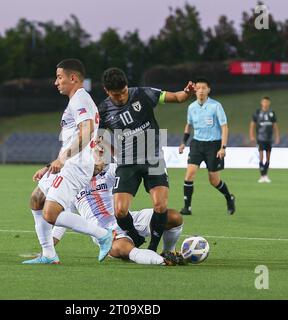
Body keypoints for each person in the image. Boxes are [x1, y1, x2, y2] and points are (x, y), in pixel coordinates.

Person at [25, 58, 114, 264]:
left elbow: (87, 130)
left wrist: (62, 159)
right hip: (68, 162)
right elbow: (74, 137)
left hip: (75, 166)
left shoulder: (80, 99)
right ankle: (48, 254)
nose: (56, 82)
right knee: (37, 199)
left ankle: (102, 234)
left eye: (59, 77)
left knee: (50, 213)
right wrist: (50, 166)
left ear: (73, 78)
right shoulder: (75, 101)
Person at [97, 67, 195, 252]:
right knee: (120, 211)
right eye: (116, 95)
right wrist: (109, 153)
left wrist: (187, 93)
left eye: (124, 92)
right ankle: (135, 237)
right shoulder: (102, 110)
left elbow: (177, 97)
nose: (121, 97)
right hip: (126, 163)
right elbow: (100, 136)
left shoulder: (142, 93)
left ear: (127, 86)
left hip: (153, 157)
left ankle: (152, 248)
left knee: (160, 205)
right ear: (106, 91)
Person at [25, 156, 185, 266]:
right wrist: (48, 247)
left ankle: (169, 252)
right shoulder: (70, 186)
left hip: (128, 219)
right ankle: (161, 261)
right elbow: (62, 221)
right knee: (120, 249)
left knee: (173, 217)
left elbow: (124, 166)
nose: (95, 164)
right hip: (105, 231)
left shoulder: (108, 173)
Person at [179, 78, 235, 216]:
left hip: (214, 146)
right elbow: (189, 125)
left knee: (214, 180)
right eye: (198, 88)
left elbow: (224, 127)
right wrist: (183, 142)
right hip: (197, 144)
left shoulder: (216, 106)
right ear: (195, 90)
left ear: (208, 90)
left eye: (204, 88)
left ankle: (229, 197)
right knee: (189, 174)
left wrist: (223, 147)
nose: (201, 90)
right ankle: (187, 207)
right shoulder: (191, 107)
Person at [249, 96, 280, 183]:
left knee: (268, 158)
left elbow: (275, 126)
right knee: (261, 156)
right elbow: (252, 125)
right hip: (260, 138)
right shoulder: (258, 113)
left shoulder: (272, 113)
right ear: (261, 103)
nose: (265, 104)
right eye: (264, 102)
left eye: (267, 102)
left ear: (269, 103)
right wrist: (251, 136)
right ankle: (262, 175)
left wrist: (277, 136)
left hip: (269, 139)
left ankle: (265, 175)